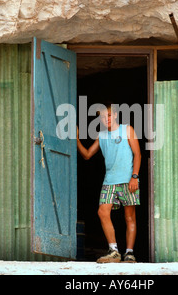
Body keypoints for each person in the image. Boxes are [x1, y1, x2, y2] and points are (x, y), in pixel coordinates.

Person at [76, 102, 141, 263]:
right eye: (103, 117)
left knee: (129, 217)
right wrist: (76, 139)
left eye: (109, 115)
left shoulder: (127, 130)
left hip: (127, 179)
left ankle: (130, 253)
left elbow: (137, 154)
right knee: (102, 212)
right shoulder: (102, 135)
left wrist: (135, 177)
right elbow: (87, 155)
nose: (107, 119)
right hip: (109, 181)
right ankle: (114, 251)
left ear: (116, 115)